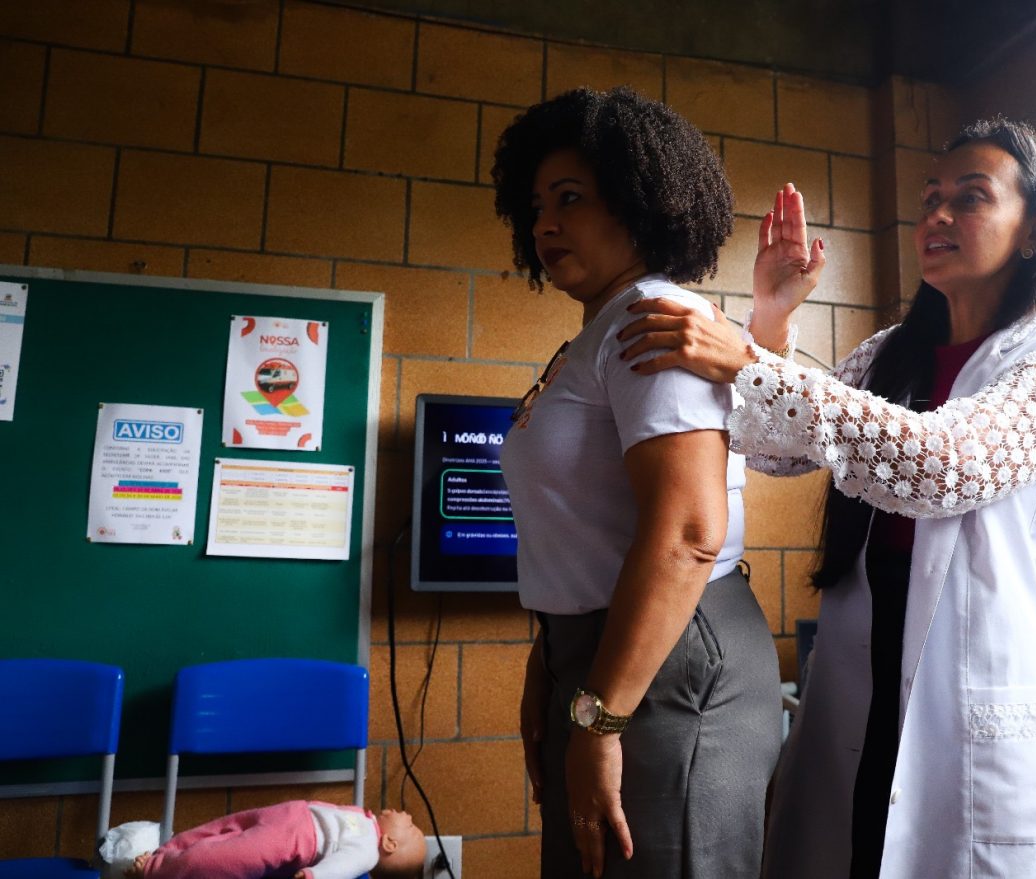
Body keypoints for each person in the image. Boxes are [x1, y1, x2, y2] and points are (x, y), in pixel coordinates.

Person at [618, 118, 1036, 878]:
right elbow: (773, 447)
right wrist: (771, 317)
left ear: (1035, 231)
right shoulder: (890, 353)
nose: (938, 215)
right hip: (861, 675)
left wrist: (746, 360)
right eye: (931, 198)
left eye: (970, 197)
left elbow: (945, 466)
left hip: (972, 696)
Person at [491, 87, 782, 879]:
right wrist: (552, 662)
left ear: (639, 199)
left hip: (670, 660)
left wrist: (597, 717)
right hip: (603, 659)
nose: (545, 224)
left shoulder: (651, 317)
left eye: (571, 198)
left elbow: (688, 534)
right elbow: (584, 534)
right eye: (537, 206)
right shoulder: (595, 335)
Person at [124, 802, 425, 879]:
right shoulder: (365, 819)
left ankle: (156, 871)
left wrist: (315, 876)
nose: (407, 814)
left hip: (291, 840)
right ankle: (168, 852)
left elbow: (343, 866)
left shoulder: (367, 850)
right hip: (286, 816)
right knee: (218, 830)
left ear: (390, 844)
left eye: (410, 826)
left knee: (220, 857)